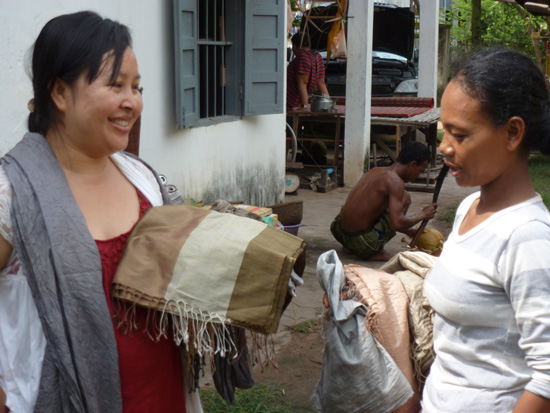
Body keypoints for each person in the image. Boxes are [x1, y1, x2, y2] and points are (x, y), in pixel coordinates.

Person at [0, 11, 200, 412]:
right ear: (59, 92)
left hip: (163, 395)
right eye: (116, 85)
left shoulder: (143, 179)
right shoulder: (12, 194)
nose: (133, 102)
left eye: (136, 87)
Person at [422, 48, 550, 412]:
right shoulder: (468, 209)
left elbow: (548, 377)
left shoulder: (527, 238)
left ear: (512, 133)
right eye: (444, 131)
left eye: (459, 135)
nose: (445, 146)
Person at [330, 142, 437, 261]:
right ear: (412, 164)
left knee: (388, 200)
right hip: (363, 243)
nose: (418, 175)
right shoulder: (395, 181)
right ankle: (375, 251)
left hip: (339, 230)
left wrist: (408, 231)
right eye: (420, 170)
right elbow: (396, 224)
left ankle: (349, 246)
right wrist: (422, 215)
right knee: (405, 199)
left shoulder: (376, 170)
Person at [286, 31, 330, 111]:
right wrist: (328, 104)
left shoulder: (302, 57)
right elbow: (321, 83)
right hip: (296, 103)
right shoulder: (318, 57)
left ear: (295, 46)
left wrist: (305, 106)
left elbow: (302, 83)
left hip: (290, 104)